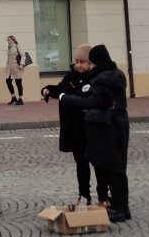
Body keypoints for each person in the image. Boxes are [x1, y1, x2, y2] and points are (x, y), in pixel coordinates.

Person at [57, 44, 131, 222]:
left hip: (108, 126)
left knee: (110, 168)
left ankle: (119, 208)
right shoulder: (117, 74)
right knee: (119, 168)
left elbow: (91, 102)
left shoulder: (102, 79)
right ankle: (122, 206)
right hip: (119, 122)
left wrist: (64, 98)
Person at [41, 44, 95, 204]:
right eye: (77, 62)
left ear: (90, 63)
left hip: (90, 127)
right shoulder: (70, 77)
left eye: (82, 62)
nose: (78, 65)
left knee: (98, 164)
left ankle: (104, 197)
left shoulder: (94, 78)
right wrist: (47, 90)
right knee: (81, 163)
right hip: (74, 128)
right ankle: (84, 195)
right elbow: (60, 90)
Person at [3, 35, 25, 105]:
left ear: (13, 40)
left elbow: (23, 55)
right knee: (8, 81)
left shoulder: (17, 46)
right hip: (9, 67)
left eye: (9, 40)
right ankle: (13, 97)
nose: (8, 41)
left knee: (18, 82)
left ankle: (20, 99)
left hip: (17, 67)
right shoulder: (8, 48)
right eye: (7, 40)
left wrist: (21, 64)